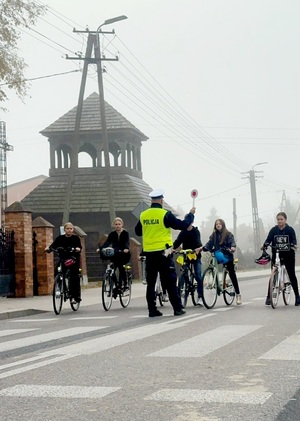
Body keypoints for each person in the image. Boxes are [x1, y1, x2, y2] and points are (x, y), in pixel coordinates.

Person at [135, 188, 196, 317]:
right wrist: (190, 215)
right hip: (164, 253)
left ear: (152, 201)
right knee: (169, 280)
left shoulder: (143, 215)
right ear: (161, 200)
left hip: (149, 253)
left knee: (151, 282)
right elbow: (181, 225)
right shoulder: (165, 214)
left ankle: (152, 310)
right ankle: (177, 308)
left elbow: (138, 232)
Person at [198, 218, 242, 305]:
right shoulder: (214, 235)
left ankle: (238, 294)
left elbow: (232, 242)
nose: (218, 225)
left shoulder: (228, 234)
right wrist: (202, 248)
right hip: (217, 255)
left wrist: (232, 247)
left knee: (232, 273)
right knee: (212, 264)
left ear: (223, 225)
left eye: (219, 223)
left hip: (227, 256)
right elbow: (209, 243)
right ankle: (216, 281)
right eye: (216, 224)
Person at [261, 212, 300, 306]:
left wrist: (293, 245)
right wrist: (265, 245)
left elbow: (294, 240)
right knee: (273, 275)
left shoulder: (290, 230)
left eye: (281, 219)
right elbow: (268, 239)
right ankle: (268, 297)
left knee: (291, 274)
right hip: (276, 254)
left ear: (285, 220)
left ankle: (297, 296)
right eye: (278, 219)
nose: (279, 221)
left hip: (288, 255)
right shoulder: (274, 230)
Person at [45, 222, 82, 303]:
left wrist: (76, 249)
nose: (69, 230)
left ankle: (74, 296)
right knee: (57, 272)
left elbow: (79, 247)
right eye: (67, 229)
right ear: (64, 229)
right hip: (63, 259)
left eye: (70, 229)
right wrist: (48, 248)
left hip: (73, 259)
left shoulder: (76, 238)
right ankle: (59, 287)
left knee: (73, 276)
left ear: (73, 230)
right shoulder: (60, 238)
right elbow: (53, 245)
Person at [173, 219, 203, 306]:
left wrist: (197, 249)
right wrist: (172, 249)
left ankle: (200, 296)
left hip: (195, 255)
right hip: (186, 256)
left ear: (192, 222)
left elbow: (198, 242)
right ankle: (185, 286)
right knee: (184, 272)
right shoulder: (183, 232)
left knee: (198, 275)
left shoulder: (195, 231)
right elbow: (177, 241)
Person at [98, 217, 131, 292]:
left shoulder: (125, 233)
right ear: (114, 225)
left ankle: (125, 284)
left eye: (119, 224)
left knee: (121, 267)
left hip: (123, 253)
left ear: (122, 225)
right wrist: (101, 249)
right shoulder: (112, 234)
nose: (117, 226)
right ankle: (116, 285)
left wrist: (126, 248)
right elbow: (107, 242)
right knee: (113, 268)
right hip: (115, 253)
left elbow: (127, 242)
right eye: (116, 224)